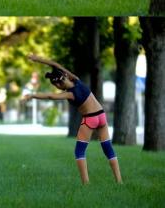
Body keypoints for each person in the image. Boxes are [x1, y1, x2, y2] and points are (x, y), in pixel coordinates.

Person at [23, 54, 123, 185]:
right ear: (66, 76)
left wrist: (32, 95)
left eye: (55, 85)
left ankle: (86, 184)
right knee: (107, 148)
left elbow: (50, 96)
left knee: (79, 151)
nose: (57, 88)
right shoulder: (77, 80)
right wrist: (38, 59)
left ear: (58, 84)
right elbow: (55, 64)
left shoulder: (70, 93)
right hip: (101, 116)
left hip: (90, 119)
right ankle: (119, 181)